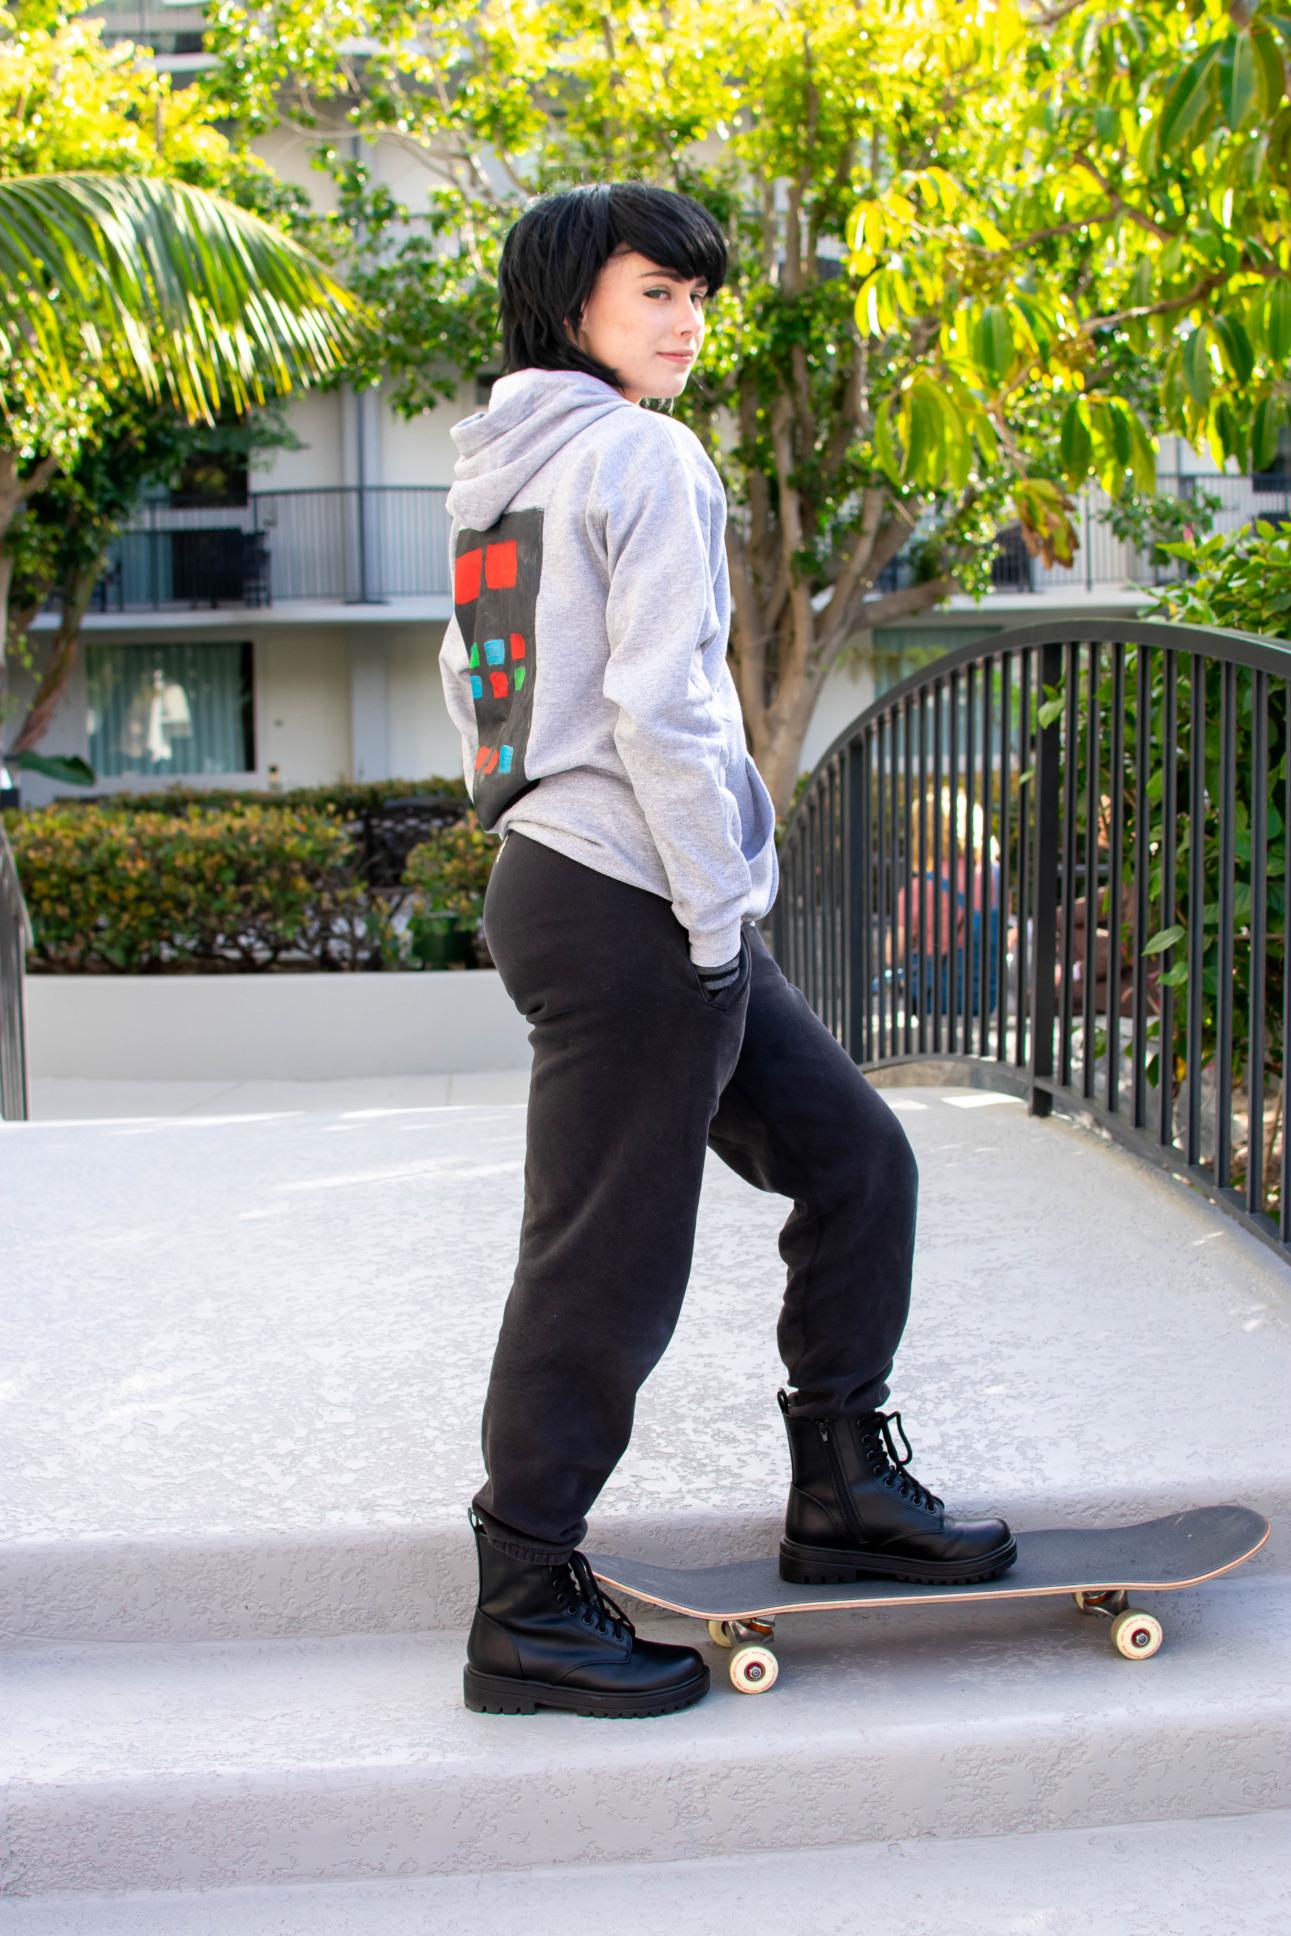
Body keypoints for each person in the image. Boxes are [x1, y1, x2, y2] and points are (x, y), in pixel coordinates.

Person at [440, 182, 1015, 1721]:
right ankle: (526, 1599)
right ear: (572, 304)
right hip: (637, 899)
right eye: (656, 293)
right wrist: (713, 912)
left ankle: (845, 1494)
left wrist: (578, 841)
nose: (688, 323)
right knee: (606, 1257)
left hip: (576, 880)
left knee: (854, 1161)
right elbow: (667, 707)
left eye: (698, 297)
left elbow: (479, 689)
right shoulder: (643, 455)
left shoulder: (496, 478)